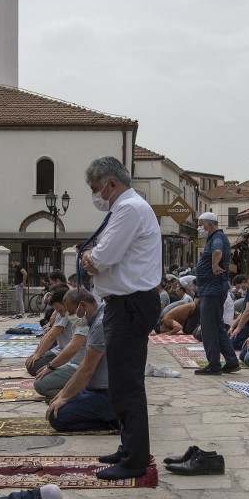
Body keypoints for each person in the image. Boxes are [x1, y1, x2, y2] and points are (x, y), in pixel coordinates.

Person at [79, 156, 162, 480]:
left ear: (111, 183)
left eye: (97, 189)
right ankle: (129, 447)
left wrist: (90, 258)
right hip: (125, 303)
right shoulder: (127, 208)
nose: (97, 196)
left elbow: (104, 256)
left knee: (127, 385)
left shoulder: (128, 208)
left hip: (130, 304)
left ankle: (135, 459)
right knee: (122, 383)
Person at [46, 290, 117, 432]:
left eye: (71, 312)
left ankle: (113, 420)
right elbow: (85, 364)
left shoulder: (100, 324)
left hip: (108, 393)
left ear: (83, 306)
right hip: (95, 388)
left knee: (57, 418)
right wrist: (63, 394)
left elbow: (87, 369)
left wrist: (65, 396)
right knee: (56, 402)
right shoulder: (96, 318)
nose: (71, 317)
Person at [194, 212, 239, 375]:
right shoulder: (215, 237)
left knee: (208, 328)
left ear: (210, 224)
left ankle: (214, 364)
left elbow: (218, 252)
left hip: (212, 290)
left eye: (201, 224)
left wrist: (214, 265)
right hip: (213, 289)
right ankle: (231, 361)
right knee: (218, 327)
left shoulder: (217, 238)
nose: (199, 228)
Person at [32, 289, 91, 398]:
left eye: (68, 310)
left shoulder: (84, 321)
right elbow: (50, 333)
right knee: (39, 374)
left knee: (40, 384)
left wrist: (50, 366)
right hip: (73, 363)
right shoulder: (77, 317)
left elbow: (72, 347)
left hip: (80, 367)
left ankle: (79, 394)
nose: (65, 314)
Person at [26, 286, 73, 373]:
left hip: (67, 353)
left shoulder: (68, 313)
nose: (59, 312)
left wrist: (38, 354)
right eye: (57, 310)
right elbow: (49, 333)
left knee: (33, 367)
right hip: (60, 349)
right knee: (30, 362)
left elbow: (51, 336)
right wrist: (36, 353)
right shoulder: (61, 312)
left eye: (59, 309)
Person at [229, 271, 249, 351]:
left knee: (232, 344)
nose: (240, 290)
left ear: (245, 282)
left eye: (240, 287)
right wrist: (233, 326)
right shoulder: (248, 293)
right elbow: (243, 313)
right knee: (229, 340)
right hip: (248, 323)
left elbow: (248, 311)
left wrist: (238, 328)